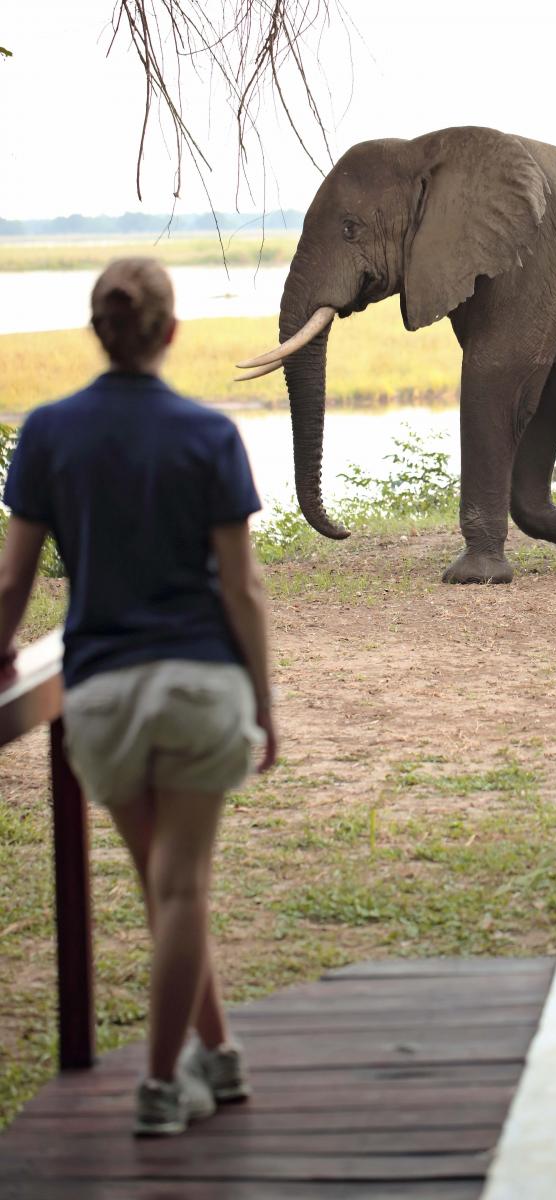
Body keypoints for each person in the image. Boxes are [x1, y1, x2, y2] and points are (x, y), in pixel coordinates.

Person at [0, 257, 277, 1136]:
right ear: (170, 332)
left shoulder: (46, 431)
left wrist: (1, 651)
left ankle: (220, 1061)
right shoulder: (209, 435)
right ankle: (162, 1087)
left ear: (98, 330)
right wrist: (265, 703)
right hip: (201, 686)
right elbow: (243, 591)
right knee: (183, 888)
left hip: (103, 698)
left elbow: (13, 578)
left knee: (166, 888)